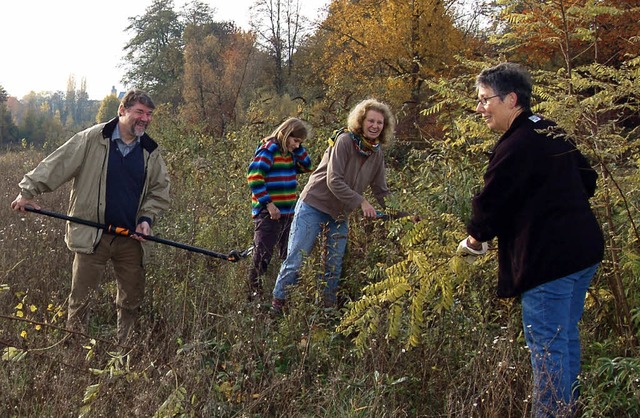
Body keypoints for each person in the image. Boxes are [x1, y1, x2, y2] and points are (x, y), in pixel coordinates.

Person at [457, 62, 604, 417]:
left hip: (549, 262)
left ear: (511, 99)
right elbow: (588, 180)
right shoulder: (548, 129)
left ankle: (553, 412)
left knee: (548, 349)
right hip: (582, 253)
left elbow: (490, 203)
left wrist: (475, 240)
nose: (479, 108)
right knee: (564, 339)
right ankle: (569, 409)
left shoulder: (516, 145)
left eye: (484, 100)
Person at [11, 88, 170, 346]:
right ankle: (73, 350)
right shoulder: (93, 138)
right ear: (122, 111)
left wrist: (147, 219)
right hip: (91, 235)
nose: (145, 119)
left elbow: (160, 190)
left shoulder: (151, 152)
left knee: (131, 301)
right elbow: (58, 164)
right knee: (81, 299)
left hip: (131, 239)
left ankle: (124, 352)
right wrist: (27, 191)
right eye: (139, 112)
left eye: (149, 114)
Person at [271, 98, 395, 313]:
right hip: (314, 206)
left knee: (333, 267)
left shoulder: (376, 153)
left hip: (339, 214)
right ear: (361, 121)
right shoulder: (345, 141)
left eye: (380, 123)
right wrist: (361, 202)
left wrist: (403, 212)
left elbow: (381, 190)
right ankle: (277, 306)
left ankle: (326, 312)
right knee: (297, 259)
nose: (375, 126)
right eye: (371, 121)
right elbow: (334, 180)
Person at [246, 117, 313, 301]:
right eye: (295, 140)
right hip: (269, 213)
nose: (297, 145)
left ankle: (285, 297)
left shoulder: (290, 153)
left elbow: (307, 166)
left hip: (288, 213)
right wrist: (268, 204)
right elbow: (254, 176)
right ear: (285, 134)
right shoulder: (270, 149)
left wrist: (298, 148)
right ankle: (253, 297)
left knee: (288, 255)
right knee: (262, 256)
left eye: (300, 142)